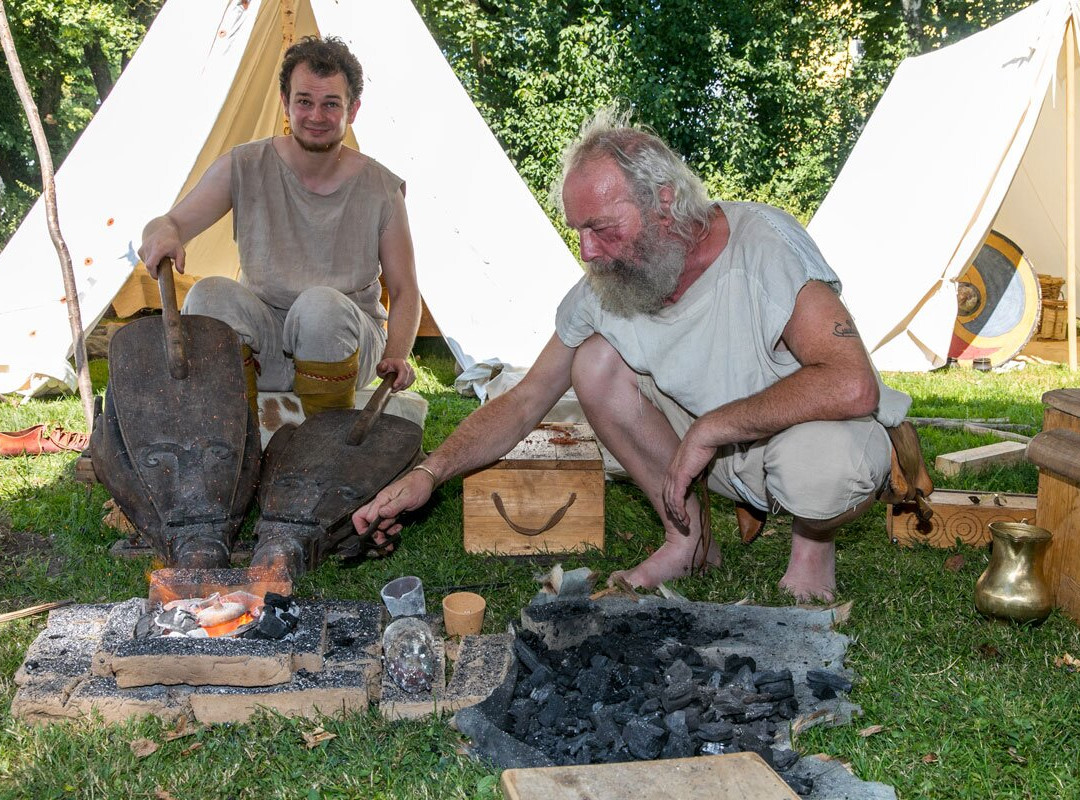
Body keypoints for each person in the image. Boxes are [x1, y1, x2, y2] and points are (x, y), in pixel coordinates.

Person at [353, 109, 925, 602]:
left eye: (602, 228)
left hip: (801, 442)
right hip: (704, 461)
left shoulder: (764, 244)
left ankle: (811, 553)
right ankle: (689, 542)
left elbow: (853, 384)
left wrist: (711, 428)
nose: (587, 251)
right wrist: (429, 473)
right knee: (593, 362)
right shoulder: (608, 288)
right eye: (578, 231)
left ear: (665, 202)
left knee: (823, 471)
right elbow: (525, 401)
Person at [138, 36, 420, 418]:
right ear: (285, 103)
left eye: (330, 104)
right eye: (304, 101)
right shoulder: (244, 165)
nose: (316, 116)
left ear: (352, 110)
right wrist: (161, 233)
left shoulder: (382, 188)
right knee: (207, 295)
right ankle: (233, 435)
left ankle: (324, 441)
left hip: (345, 339)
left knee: (319, 306)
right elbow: (170, 222)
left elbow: (405, 290)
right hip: (266, 338)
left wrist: (396, 356)